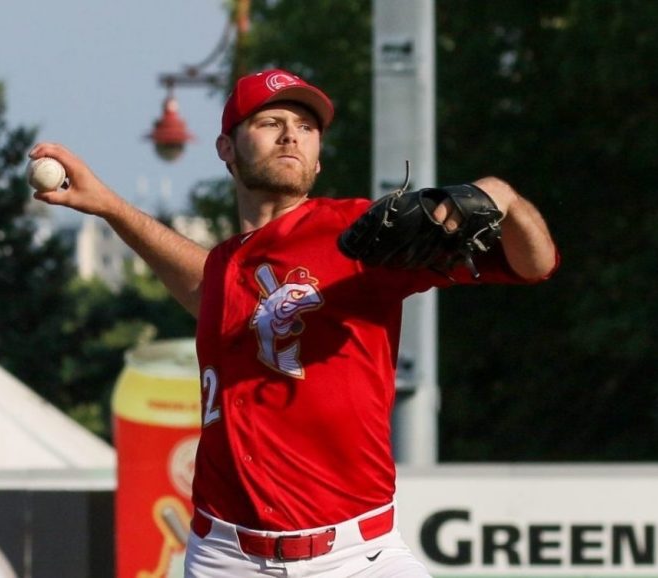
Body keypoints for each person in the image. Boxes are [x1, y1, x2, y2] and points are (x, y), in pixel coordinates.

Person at [31, 68, 558, 577]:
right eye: (269, 123)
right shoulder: (225, 267)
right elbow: (205, 288)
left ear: (319, 156)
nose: (291, 137)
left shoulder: (358, 235)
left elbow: (532, 265)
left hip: (357, 556)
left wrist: (506, 199)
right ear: (226, 149)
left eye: (306, 127)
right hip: (224, 556)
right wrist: (111, 207)